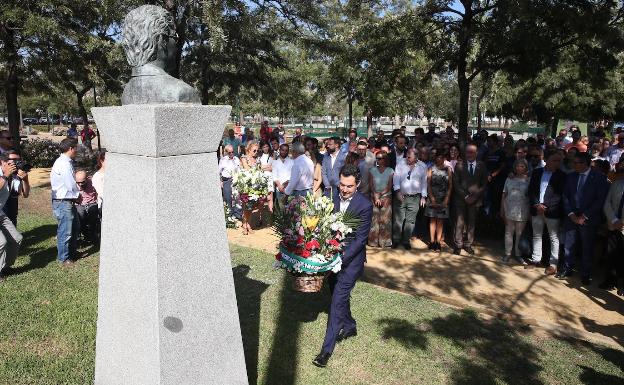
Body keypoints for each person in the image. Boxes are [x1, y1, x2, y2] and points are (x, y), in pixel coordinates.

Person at [313, 164, 373, 368]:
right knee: (337, 294)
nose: (344, 189)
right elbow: (323, 226)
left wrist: (339, 259)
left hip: (351, 262)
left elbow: (360, 241)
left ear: (358, 185)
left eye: (349, 186)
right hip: (331, 257)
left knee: (337, 300)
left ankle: (325, 351)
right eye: (342, 185)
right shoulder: (331, 197)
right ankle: (350, 326)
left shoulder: (365, 205)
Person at [557, 151, 610, 284]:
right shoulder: (571, 176)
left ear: (585, 163)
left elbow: (600, 200)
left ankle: (585, 274)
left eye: (576, 163)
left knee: (587, 247)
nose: (573, 165)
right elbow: (566, 196)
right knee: (569, 245)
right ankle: (567, 268)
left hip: (589, 219)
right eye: (573, 162)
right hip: (572, 218)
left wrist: (585, 216)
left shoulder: (599, 178)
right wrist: (571, 214)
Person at [527, 150, 565, 274]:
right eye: (555, 160)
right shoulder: (537, 172)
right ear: (547, 160)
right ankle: (536, 259)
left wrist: (545, 205)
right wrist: (537, 204)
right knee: (536, 235)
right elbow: (531, 190)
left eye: (559, 161)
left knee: (553, 237)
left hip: (552, 211)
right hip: (536, 209)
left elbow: (559, 195)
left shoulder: (562, 175)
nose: (557, 163)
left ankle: (553, 265)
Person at [452, 144, 488, 255]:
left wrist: (475, 196)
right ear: (465, 153)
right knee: (459, 222)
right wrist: (465, 196)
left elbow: (484, 183)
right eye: (468, 152)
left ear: (477, 153)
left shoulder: (481, 166)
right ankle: (458, 245)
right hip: (461, 199)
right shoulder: (459, 165)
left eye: (472, 152)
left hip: (475, 200)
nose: (470, 154)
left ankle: (468, 244)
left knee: (472, 222)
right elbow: (456, 183)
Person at [51, 137, 81, 265]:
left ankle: (71, 253)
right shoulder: (63, 163)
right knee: (66, 230)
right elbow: (70, 183)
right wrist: (78, 195)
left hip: (67, 200)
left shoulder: (66, 162)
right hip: (63, 201)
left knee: (74, 227)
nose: (78, 150)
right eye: (77, 148)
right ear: (71, 148)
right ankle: (63, 258)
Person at [392, 148, 428, 250]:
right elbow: (396, 178)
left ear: (416, 157)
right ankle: (396, 240)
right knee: (398, 220)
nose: (407, 158)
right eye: (407, 155)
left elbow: (424, 182)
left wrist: (423, 197)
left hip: (415, 197)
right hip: (401, 195)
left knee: (410, 221)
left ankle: (405, 240)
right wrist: (398, 191)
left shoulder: (422, 166)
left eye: (409, 156)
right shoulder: (400, 164)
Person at [600, 161, 624, 295]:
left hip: (623, 226)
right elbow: (607, 203)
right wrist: (614, 220)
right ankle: (610, 280)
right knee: (611, 254)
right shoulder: (617, 184)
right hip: (613, 226)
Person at [500, 159, 530, 264]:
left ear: (526, 168)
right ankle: (507, 253)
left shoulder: (529, 180)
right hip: (509, 208)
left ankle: (518, 254)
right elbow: (504, 194)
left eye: (522, 166)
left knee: (519, 234)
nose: (519, 168)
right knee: (508, 232)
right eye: (518, 166)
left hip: (523, 209)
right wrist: (502, 209)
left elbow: (531, 196)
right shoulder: (509, 178)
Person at [0, 153, 23, 282]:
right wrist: (5, 175)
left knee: (16, 238)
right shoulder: (5, 175)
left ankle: (5, 267)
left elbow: (23, 193)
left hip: (0, 213)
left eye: (15, 162)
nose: (13, 165)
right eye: (10, 163)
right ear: (2, 163)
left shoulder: (12, 176)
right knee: (1, 242)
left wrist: (24, 179)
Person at [425, 150, 452, 252]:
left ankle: (438, 241)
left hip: (443, 198)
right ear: (435, 158)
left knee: (440, 221)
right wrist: (431, 197)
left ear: (444, 158)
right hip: (432, 197)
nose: (439, 159)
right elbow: (428, 184)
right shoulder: (431, 169)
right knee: (432, 220)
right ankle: (432, 241)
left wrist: (446, 199)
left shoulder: (448, 169)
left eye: (442, 157)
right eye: (438, 157)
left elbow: (450, 185)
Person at [368, 151, 393, 247]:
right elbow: (371, 184)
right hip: (374, 196)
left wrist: (381, 195)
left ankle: (385, 242)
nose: (378, 160)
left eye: (380, 158)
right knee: (374, 220)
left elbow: (389, 185)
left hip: (386, 197)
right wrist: (376, 196)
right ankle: (373, 242)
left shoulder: (390, 170)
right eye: (377, 158)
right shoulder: (372, 170)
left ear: (385, 159)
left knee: (385, 220)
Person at [3, 150, 30, 226]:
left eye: (19, 160)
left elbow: (25, 194)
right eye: (14, 160)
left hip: (12, 209)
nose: (17, 162)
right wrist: (6, 175)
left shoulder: (17, 174)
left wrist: (25, 180)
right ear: (4, 161)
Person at [75, 170, 100, 244]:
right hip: (79, 204)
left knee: (93, 212)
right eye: (78, 182)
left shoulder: (92, 182)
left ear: (87, 178)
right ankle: (85, 234)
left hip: (91, 203)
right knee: (81, 214)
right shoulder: (73, 184)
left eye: (82, 182)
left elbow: (98, 192)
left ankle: (92, 234)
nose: (80, 184)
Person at [218, 144, 242, 220]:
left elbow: (240, 169)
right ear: (226, 152)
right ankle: (230, 215)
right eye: (229, 152)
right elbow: (218, 172)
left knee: (237, 198)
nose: (231, 154)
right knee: (228, 198)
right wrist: (220, 181)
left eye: (233, 152)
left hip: (235, 180)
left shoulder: (236, 159)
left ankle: (238, 214)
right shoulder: (223, 160)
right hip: (226, 181)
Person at [272, 144, 293, 211]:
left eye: (286, 150)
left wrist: (285, 185)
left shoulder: (292, 162)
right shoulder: (275, 162)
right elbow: (274, 176)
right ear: (279, 150)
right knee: (280, 210)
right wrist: (279, 186)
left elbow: (293, 175)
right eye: (282, 150)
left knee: (290, 209)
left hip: (289, 188)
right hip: (279, 189)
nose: (284, 152)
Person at [259, 141, 274, 213]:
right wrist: (268, 166)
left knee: (270, 196)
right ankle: (260, 216)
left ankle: (271, 213)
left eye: (267, 146)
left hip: (270, 177)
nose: (265, 148)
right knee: (262, 197)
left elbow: (273, 167)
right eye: (264, 147)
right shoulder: (260, 156)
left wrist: (264, 167)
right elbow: (259, 167)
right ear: (261, 148)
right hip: (262, 177)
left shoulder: (272, 155)